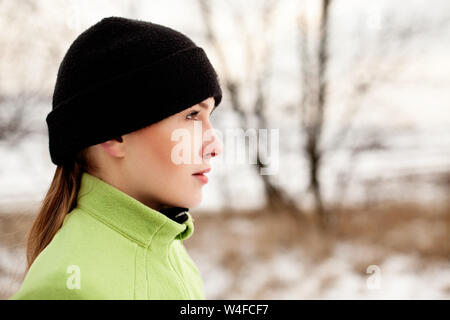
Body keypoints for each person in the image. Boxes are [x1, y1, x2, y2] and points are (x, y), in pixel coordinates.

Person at [10, 16, 223, 299]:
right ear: (114, 134)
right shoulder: (69, 286)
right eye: (191, 115)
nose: (215, 145)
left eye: (209, 116)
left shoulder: (171, 250)